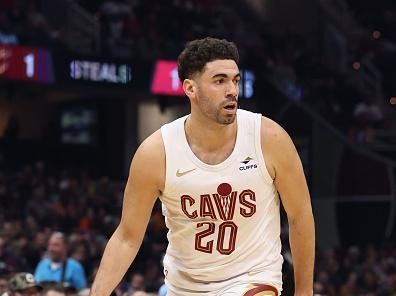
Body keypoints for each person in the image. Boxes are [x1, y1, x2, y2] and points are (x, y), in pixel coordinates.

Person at [90, 37, 315, 295]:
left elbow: (300, 215)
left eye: (235, 80)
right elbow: (127, 237)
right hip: (185, 287)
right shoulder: (156, 153)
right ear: (190, 89)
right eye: (220, 81)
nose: (232, 90)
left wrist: (304, 291)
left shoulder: (269, 138)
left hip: (253, 279)